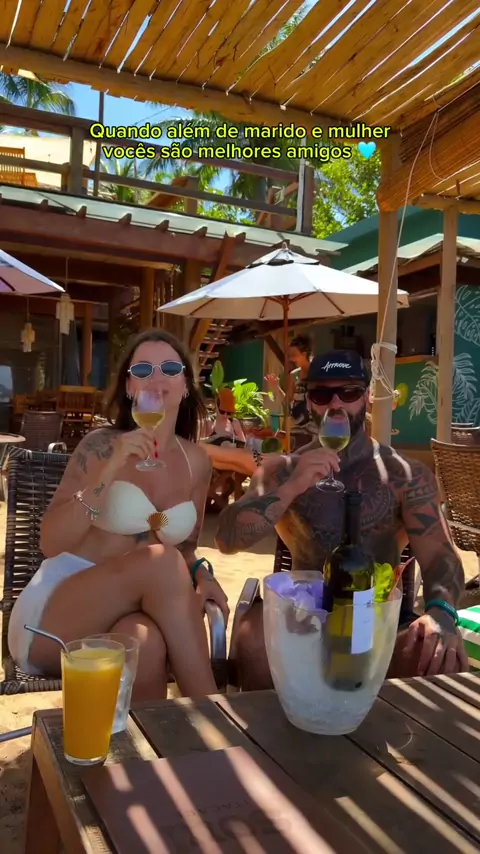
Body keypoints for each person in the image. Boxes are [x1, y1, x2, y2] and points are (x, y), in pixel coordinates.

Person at [216, 348, 468, 690]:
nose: (335, 404)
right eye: (322, 394)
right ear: (310, 402)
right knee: (253, 639)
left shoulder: (405, 475)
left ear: (365, 397)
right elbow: (227, 540)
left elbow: (441, 556)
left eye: (348, 392)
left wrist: (441, 611)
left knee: (439, 653)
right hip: (303, 614)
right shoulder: (282, 470)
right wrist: (292, 487)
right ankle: (272, 725)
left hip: (377, 622)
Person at [8, 329, 229, 701]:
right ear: (129, 387)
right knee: (161, 561)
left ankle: (151, 740)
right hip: (53, 618)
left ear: (185, 386)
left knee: (145, 642)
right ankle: (212, 712)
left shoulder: (197, 462)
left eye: (169, 368)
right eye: (142, 369)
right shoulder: (99, 446)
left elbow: (185, 550)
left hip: (124, 618)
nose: (156, 378)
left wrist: (202, 573)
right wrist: (108, 470)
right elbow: (50, 543)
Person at [265, 334, 315, 450]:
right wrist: (275, 387)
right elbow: (287, 401)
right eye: (290, 355)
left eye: (294, 355)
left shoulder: (317, 372)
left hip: (312, 428)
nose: (291, 359)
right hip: (295, 427)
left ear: (304, 354)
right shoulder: (294, 375)